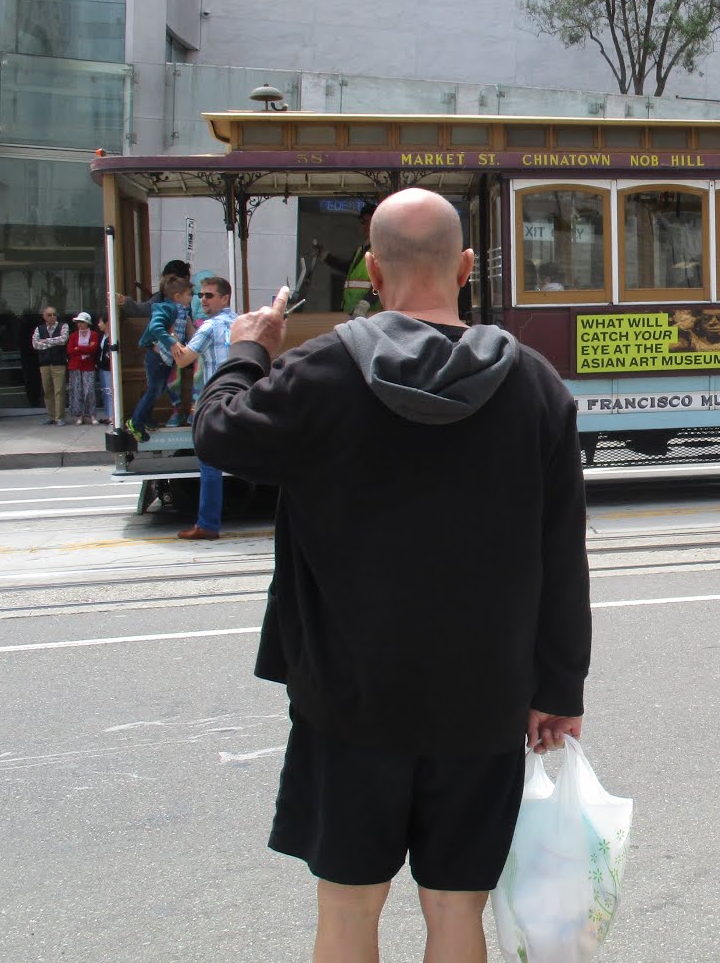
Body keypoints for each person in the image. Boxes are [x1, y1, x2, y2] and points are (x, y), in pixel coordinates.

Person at [193, 189, 590, 963]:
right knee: (455, 914)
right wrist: (559, 691)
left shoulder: (319, 372)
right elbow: (562, 556)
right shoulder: (537, 387)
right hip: (483, 701)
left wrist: (248, 347)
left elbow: (218, 433)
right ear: (466, 267)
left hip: (348, 700)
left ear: (371, 270)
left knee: (347, 909)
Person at [172, 277, 235, 541]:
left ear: (225, 298)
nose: (203, 300)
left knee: (209, 465)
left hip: (214, 403)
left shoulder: (209, 327)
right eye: (201, 295)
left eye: (209, 295)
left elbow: (184, 359)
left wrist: (169, 337)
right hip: (242, 399)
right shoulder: (243, 323)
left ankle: (208, 525)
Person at [124, 260, 195, 424]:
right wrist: (172, 343)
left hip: (168, 358)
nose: (192, 297)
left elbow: (188, 329)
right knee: (155, 390)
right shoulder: (165, 307)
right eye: (189, 294)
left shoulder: (183, 310)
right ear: (178, 296)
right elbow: (156, 327)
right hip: (157, 357)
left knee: (160, 388)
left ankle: (147, 419)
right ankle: (136, 422)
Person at [320, 200, 380, 315]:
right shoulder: (361, 249)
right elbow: (348, 270)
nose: (365, 226)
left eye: (368, 221)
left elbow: (382, 281)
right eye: (363, 222)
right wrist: (325, 256)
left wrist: (366, 302)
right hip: (352, 313)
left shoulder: (381, 250)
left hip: (370, 314)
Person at [31, 306, 71, 424]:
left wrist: (46, 341)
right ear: (44, 317)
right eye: (49, 315)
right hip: (44, 364)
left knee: (59, 390)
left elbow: (63, 340)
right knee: (47, 391)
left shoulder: (63, 326)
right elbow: (35, 344)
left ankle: (60, 417)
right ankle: (51, 416)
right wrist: (53, 342)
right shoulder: (39, 328)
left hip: (59, 363)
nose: (52, 316)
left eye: (54, 314)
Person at [65, 312, 102, 425]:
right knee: (76, 390)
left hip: (88, 366)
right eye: (78, 322)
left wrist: (78, 348)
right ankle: (79, 415)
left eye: (82, 322)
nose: (80, 324)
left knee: (89, 390)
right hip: (75, 366)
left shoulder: (94, 334)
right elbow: (70, 351)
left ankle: (91, 414)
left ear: (87, 323)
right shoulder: (73, 336)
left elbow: (93, 349)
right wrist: (84, 348)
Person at [95, 314, 115, 423]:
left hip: (109, 367)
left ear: (107, 323)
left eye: (100, 322)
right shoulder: (102, 336)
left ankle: (113, 415)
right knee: (105, 391)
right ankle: (108, 415)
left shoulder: (112, 336)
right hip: (101, 366)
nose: (98, 324)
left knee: (110, 391)